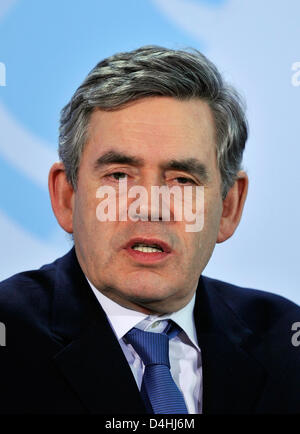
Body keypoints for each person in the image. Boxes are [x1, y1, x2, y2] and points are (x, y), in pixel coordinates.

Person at [0, 45, 299, 415]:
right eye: (119, 175)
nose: (150, 207)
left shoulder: (286, 344)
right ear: (67, 196)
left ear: (228, 207)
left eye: (182, 180)